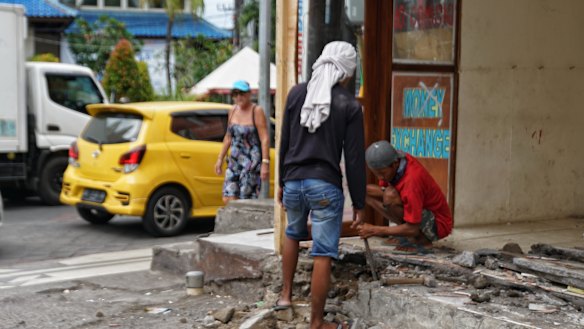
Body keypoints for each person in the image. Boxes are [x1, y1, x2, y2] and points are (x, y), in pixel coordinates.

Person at [276, 41, 366, 329]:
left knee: (293, 233)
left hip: (292, 181)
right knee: (323, 252)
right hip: (324, 186)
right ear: (347, 71)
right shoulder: (349, 105)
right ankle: (317, 323)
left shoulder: (296, 94)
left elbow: (285, 143)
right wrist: (360, 203)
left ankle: (285, 297)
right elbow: (353, 160)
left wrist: (281, 182)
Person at [357, 140, 453, 254]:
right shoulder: (396, 164)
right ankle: (406, 235)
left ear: (394, 163)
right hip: (417, 208)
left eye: (382, 173)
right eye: (376, 173)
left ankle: (422, 242)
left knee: (390, 197)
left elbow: (413, 227)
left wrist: (375, 230)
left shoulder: (412, 180)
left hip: (438, 224)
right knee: (364, 191)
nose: (380, 178)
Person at [215, 80, 270, 204]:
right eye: (235, 94)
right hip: (234, 160)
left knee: (245, 198)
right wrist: (220, 158)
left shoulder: (256, 111)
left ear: (249, 94)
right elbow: (228, 136)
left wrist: (265, 163)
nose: (239, 97)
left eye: (242, 93)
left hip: (250, 161)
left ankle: (244, 223)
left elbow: (264, 138)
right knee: (228, 196)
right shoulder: (233, 110)